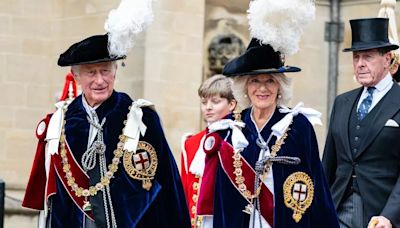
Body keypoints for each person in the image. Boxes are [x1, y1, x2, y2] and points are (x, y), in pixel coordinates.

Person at [22, 34, 190, 228]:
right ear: (76, 76)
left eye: (105, 71)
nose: (100, 80)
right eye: (91, 73)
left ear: (115, 71)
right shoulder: (60, 122)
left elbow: (168, 185)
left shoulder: (140, 119)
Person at [206, 38, 339, 227]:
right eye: (254, 81)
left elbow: (316, 184)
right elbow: (219, 194)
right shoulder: (229, 128)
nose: (262, 88)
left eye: (270, 80)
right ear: (245, 86)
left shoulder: (298, 126)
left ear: (280, 86)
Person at [322, 18, 400, 228]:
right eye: (356, 57)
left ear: (387, 59)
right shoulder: (342, 102)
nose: (360, 64)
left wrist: (390, 216)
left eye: (368, 57)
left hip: (382, 215)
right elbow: (328, 162)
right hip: (338, 209)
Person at [180, 74, 236, 227]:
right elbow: (185, 193)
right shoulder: (190, 143)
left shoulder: (240, 140)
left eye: (215, 102)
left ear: (232, 104)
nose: (208, 107)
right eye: (204, 102)